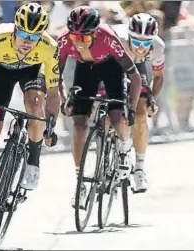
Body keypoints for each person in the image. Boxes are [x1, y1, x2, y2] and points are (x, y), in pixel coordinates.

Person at [0, 3, 61, 228]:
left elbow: (53, 91)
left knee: (35, 105)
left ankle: (33, 161)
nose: (28, 41)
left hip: (33, 71)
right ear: (14, 30)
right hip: (1, 73)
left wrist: (50, 124)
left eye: (34, 36)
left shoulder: (50, 47)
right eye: (23, 34)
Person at [57, 6, 142, 207]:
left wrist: (131, 107)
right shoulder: (65, 39)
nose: (78, 43)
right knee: (78, 124)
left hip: (110, 67)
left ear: (95, 32)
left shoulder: (108, 38)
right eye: (74, 38)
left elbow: (135, 76)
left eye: (84, 39)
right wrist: (63, 100)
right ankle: (80, 183)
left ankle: (123, 149)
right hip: (84, 70)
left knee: (116, 116)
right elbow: (55, 76)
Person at [111, 13, 165, 193]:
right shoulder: (117, 38)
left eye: (145, 42)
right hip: (116, 65)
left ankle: (139, 169)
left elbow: (158, 77)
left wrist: (152, 98)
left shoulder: (157, 46)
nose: (141, 47)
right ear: (129, 36)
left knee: (141, 113)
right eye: (136, 42)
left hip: (139, 69)